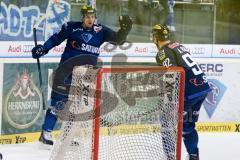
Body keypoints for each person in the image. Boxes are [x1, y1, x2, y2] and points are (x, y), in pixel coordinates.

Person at [31, 5, 132, 146]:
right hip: (66, 71)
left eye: (92, 16)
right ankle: (46, 133)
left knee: (78, 107)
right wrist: (43, 48)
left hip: (86, 76)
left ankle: (68, 135)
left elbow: (118, 40)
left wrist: (125, 30)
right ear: (82, 17)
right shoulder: (71, 27)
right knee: (59, 102)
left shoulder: (100, 31)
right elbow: (55, 39)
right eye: (87, 16)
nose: (90, 19)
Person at [151, 24, 211, 160]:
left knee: (167, 122)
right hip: (202, 88)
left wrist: (168, 101)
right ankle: (194, 156)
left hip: (189, 92)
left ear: (155, 38)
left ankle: (170, 156)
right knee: (187, 126)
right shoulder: (178, 45)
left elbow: (172, 74)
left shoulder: (162, 53)